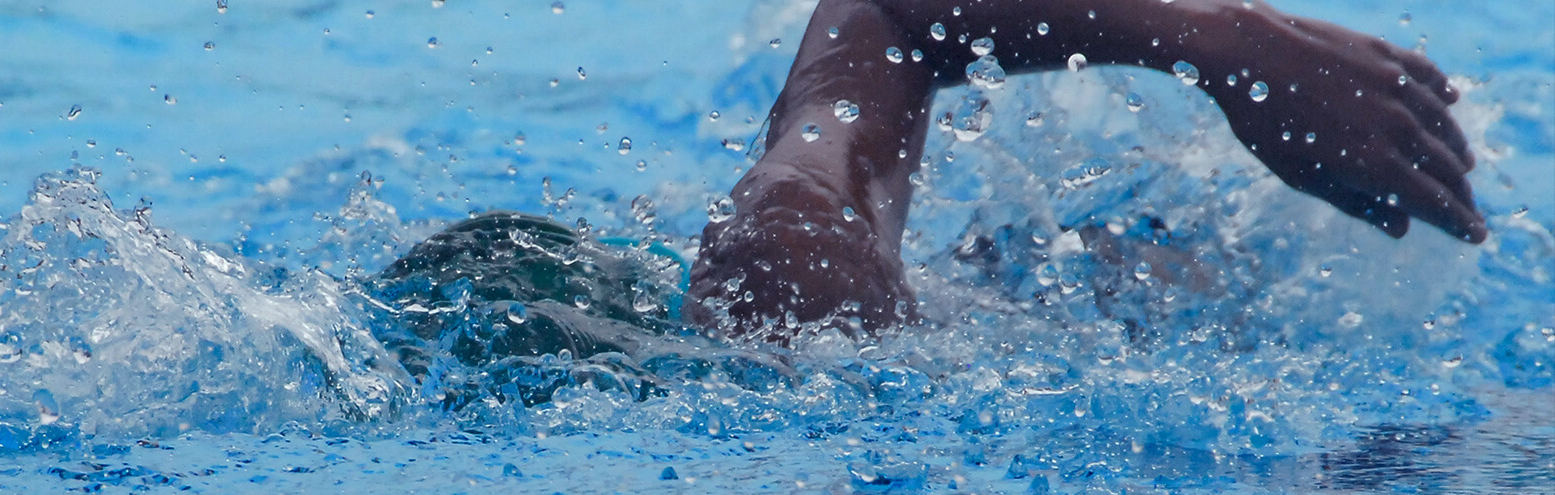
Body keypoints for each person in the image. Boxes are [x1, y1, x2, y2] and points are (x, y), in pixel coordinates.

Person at [374, 0, 1483, 375]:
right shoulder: (789, 278)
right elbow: (891, 12)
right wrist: (1220, 38)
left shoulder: (785, 280)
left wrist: (1226, 40)